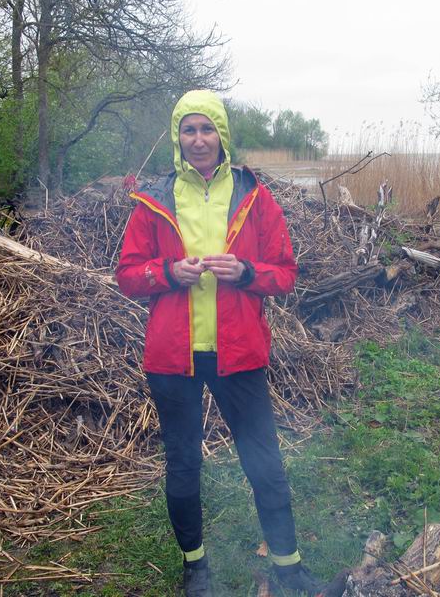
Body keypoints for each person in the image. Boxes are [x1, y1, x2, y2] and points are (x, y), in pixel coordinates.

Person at [115, 90, 323, 596]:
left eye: (207, 128)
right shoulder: (155, 197)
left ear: (222, 135)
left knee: (263, 460)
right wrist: (169, 272)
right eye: (188, 129)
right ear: (177, 137)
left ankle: (289, 567)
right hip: (172, 357)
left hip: (239, 351)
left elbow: (285, 273)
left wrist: (247, 271)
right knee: (184, 463)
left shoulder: (254, 195)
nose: (199, 139)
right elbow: (127, 275)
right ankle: (196, 567)